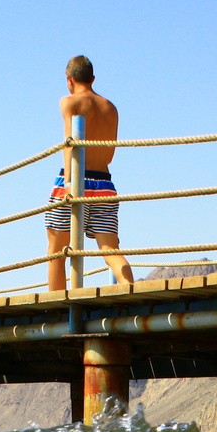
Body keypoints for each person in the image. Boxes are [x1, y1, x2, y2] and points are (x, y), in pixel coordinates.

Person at [46, 56, 133, 293]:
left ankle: (56, 310)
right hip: (104, 184)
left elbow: (69, 143)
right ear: (93, 79)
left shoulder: (68, 102)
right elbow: (109, 155)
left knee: (57, 252)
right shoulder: (110, 108)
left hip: (75, 181)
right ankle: (131, 294)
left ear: (69, 80)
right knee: (111, 250)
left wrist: (68, 183)